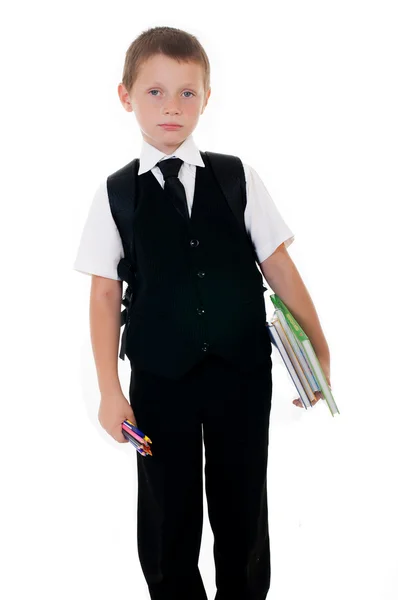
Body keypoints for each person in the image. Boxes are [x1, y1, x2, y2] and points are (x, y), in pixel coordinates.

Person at [73, 25, 331, 600]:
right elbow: (102, 296)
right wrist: (109, 391)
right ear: (125, 96)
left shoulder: (237, 178)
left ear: (207, 98)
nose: (172, 106)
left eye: (188, 93)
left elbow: (280, 267)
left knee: (242, 503)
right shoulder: (117, 195)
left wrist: (318, 346)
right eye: (155, 92)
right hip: (159, 383)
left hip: (241, 375)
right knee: (167, 510)